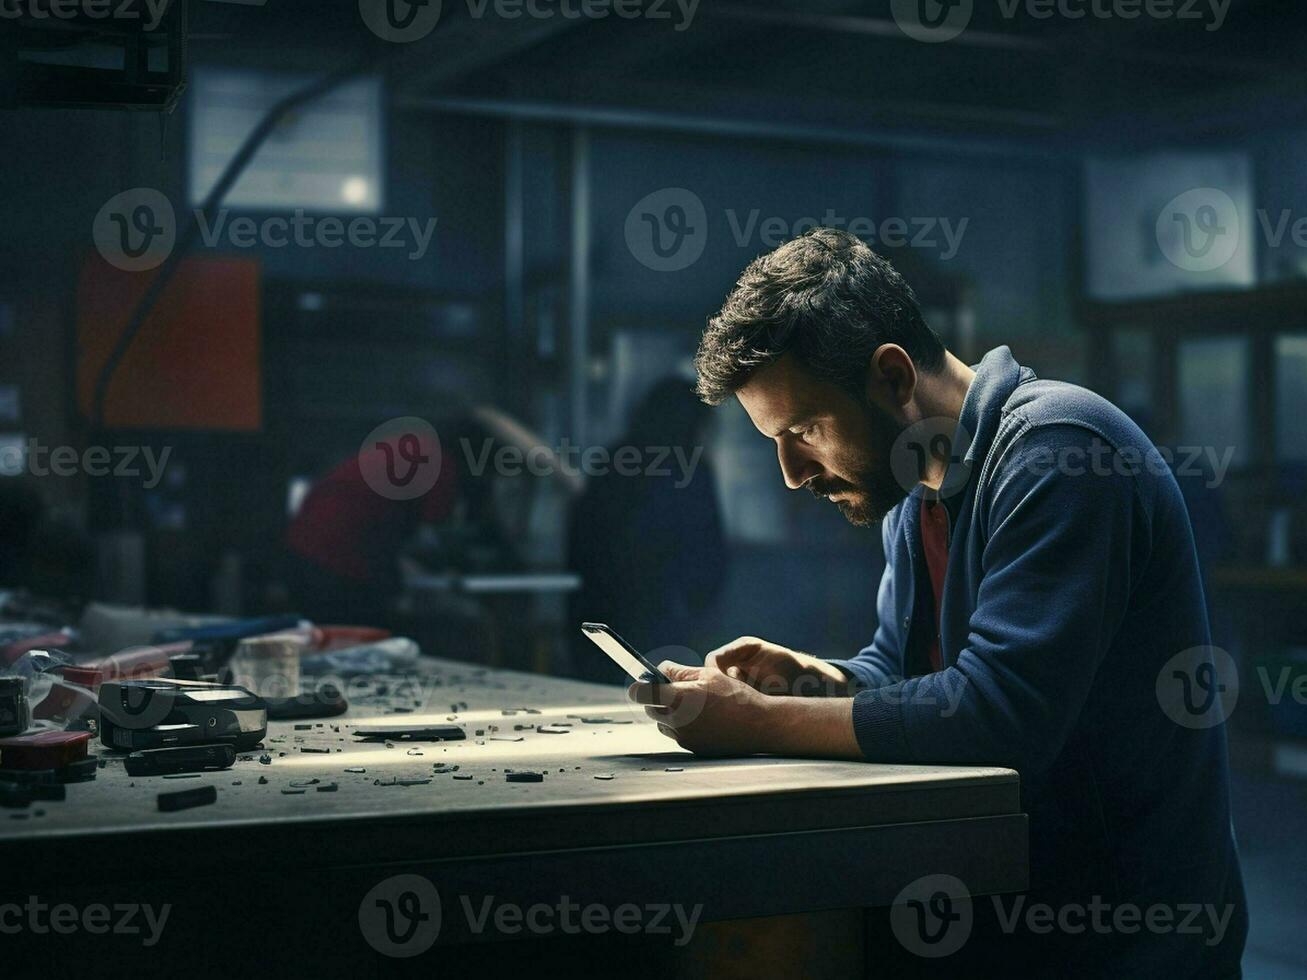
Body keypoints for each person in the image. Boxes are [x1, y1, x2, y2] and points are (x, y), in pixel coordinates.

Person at [630, 228, 1247, 976]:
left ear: (892, 379)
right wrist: (820, 679)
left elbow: (1000, 712)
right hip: (997, 902)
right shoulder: (913, 495)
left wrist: (758, 722)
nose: (793, 473)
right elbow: (904, 672)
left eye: (805, 430)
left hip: (1117, 939)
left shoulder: (1059, 453)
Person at [283, 406, 579, 627]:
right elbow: (432, 536)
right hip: (333, 564)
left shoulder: (420, 451)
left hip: (309, 552)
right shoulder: (438, 466)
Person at [568, 377, 727, 682]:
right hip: (664, 618)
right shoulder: (689, 468)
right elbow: (707, 555)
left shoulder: (614, 460)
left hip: (599, 617)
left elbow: (580, 544)